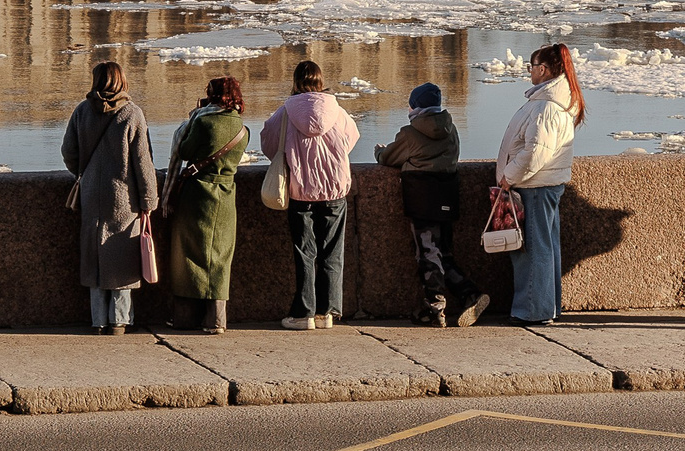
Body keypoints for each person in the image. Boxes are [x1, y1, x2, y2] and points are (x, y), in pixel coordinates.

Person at [375, 82, 489, 329]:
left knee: (427, 253)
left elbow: (389, 158)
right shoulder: (451, 129)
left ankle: (434, 309)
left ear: (416, 106)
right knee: (443, 252)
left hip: (422, 198)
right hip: (448, 196)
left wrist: (379, 152)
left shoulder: (410, 133)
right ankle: (470, 294)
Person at [258, 61, 360, 330]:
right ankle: (327, 313)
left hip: (300, 190)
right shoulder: (336, 110)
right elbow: (351, 138)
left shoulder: (286, 112)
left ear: (295, 81)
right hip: (334, 189)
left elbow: (268, 142)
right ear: (320, 81)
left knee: (305, 253)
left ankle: (304, 314)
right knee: (332, 252)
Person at [61, 61, 158, 334]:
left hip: (92, 195)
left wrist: (85, 173)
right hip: (125, 199)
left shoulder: (82, 111)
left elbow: (69, 152)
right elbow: (143, 163)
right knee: (123, 259)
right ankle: (119, 320)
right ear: (121, 81)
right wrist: (149, 201)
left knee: (95, 257)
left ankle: (98, 320)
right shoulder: (132, 114)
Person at [496, 43, 581, 326]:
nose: (529, 72)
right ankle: (546, 307)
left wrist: (509, 176)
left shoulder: (545, 106)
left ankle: (533, 311)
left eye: (531, 67)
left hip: (534, 187)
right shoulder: (554, 101)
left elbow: (536, 151)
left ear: (543, 70)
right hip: (545, 185)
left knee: (533, 250)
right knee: (546, 247)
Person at [166, 77, 248, 333]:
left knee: (187, 255)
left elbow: (187, 151)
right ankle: (216, 320)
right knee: (221, 256)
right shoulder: (242, 129)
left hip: (197, 193)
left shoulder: (203, 121)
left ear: (212, 96)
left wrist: (191, 119)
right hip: (226, 195)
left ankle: (185, 318)